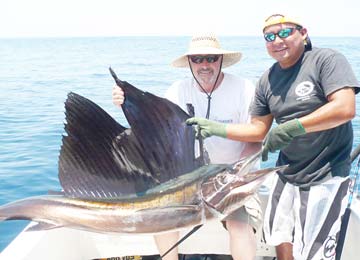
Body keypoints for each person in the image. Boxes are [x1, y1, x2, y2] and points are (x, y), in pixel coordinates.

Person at [186, 14, 360, 260]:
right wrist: (215, 128)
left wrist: (292, 127)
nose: (277, 40)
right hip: (286, 174)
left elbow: (344, 108)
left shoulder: (326, 59)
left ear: (303, 33)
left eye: (284, 32)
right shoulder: (267, 79)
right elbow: (258, 130)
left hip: (326, 175)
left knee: (315, 253)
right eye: (269, 36)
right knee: (281, 240)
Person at [112, 34, 262, 260]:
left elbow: (255, 138)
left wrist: (234, 176)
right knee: (161, 219)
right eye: (197, 59)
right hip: (191, 182)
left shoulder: (243, 88)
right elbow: (159, 134)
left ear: (220, 61)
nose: (204, 65)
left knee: (239, 225)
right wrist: (127, 103)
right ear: (190, 63)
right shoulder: (178, 90)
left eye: (210, 58)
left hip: (233, 180)